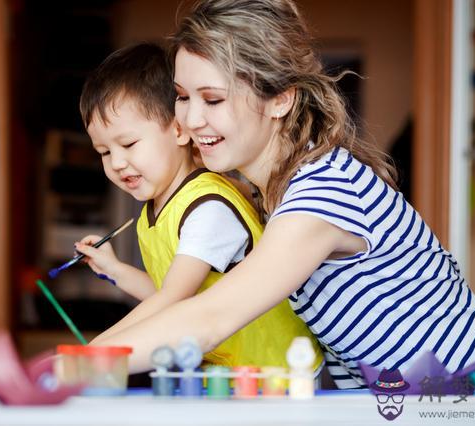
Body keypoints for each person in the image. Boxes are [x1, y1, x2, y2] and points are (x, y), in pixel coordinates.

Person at [90, 0, 475, 389]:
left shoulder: (320, 194)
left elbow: (210, 317)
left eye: (213, 99)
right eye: (183, 97)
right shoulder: (280, 190)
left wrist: (73, 366)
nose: (190, 119)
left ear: (280, 98)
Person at [75, 42, 322, 370]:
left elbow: (173, 299)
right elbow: (174, 294)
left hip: (283, 371)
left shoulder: (207, 209)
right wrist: (116, 271)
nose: (117, 163)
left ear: (179, 130)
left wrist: (90, 355)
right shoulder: (151, 214)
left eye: (128, 144)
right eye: (104, 152)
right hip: (233, 374)